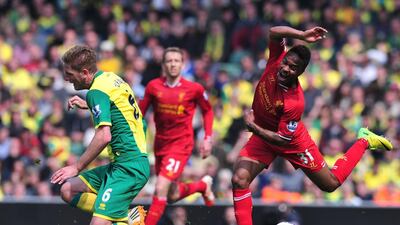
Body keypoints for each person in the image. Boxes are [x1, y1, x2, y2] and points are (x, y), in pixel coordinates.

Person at [231, 26, 393, 225]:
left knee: (330, 184)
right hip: (263, 136)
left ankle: (364, 140)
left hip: (289, 140)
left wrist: (253, 127)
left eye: (292, 68)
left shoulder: (295, 101)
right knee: (239, 179)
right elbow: (274, 31)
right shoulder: (275, 60)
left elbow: (282, 140)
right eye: (286, 63)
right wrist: (301, 36)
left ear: (300, 72)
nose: (285, 68)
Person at [50, 45, 149, 225]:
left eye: (70, 74)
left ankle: (125, 219)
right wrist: (89, 105)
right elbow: (121, 107)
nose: (66, 78)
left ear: (85, 72)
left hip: (128, 167)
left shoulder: (96, 92)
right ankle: (127, 218)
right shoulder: (111, 78)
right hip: (124, 164)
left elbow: (104, 136)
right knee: (68, 190)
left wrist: (77, 167)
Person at [139, 47, 215, 225]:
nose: (173, 64)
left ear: (183, 64)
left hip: (181, 145)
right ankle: (202, 186)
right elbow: (139, 112)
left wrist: (207, 138)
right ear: (164, 65)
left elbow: (208, 111)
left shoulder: (194, 88)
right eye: (169, 61)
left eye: (177, 61)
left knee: (160, 187)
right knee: (171, 195)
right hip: (160, 145)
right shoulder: (153, 87)